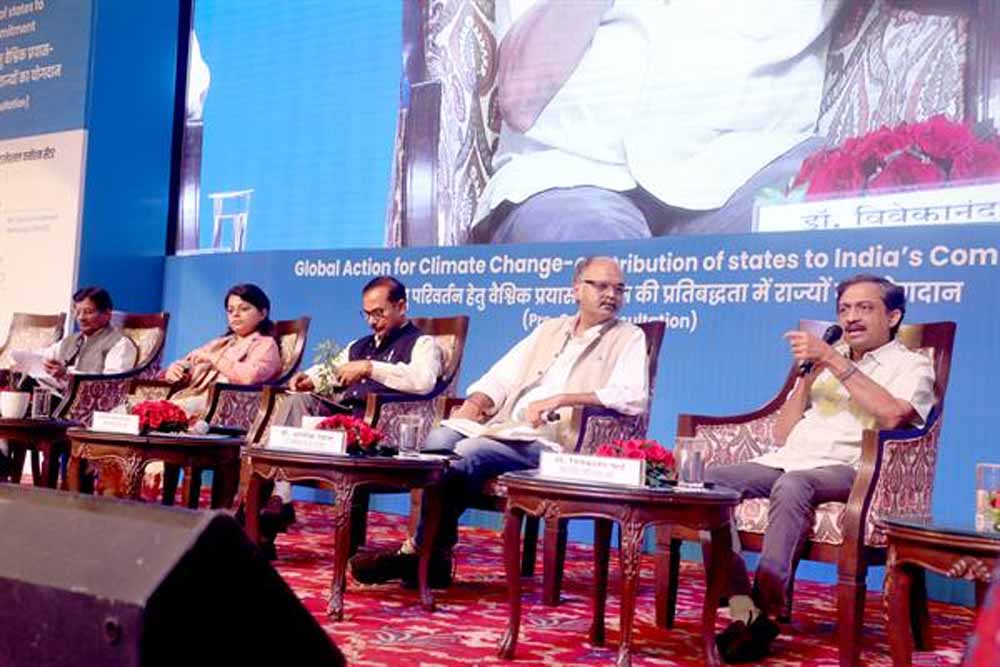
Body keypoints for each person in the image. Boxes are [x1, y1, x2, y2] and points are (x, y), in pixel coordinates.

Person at [350, 256, 649, 588]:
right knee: (440, 439)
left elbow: (631, 396)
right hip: (509, 429)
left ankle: (417, 553)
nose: (612, 295)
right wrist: (475, 403)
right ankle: (436, 558)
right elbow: (501, 376)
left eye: (619, 289)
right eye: (602, 286)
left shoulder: (629, 337)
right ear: (576, 289)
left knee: (469, 452)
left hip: (557, 443)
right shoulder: (551, 329)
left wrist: (562, 399)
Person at [473, 0, 842, 243]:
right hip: (571, 173)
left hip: (752, 166)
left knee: (809, 228)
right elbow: (521, 101)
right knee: (593, 270)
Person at [706, 274, 936, 663]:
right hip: (790, 460)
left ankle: (767, 609)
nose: (851, 317)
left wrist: (834, 360)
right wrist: (807, 377)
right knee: (709, 482)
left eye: (864, 308)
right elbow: (782, 433)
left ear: (893, 316)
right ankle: (744, 605)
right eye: (844, 309)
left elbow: (894, 415)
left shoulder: (912, 365)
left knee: (794, 485)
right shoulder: (826, 360)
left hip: (853, 468)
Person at [260, 276, 444, 537]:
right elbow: (333, 369)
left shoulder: (421, 343)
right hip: (345, 418)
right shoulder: (359, 345)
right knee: (296, 401)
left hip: (380, 427)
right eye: (366, 314)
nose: (371, 321)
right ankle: (280, 497)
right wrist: (309, 379)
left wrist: (370, 368)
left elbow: (423, 381)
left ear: (401, 306)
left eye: (378, 313)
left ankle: (269, 511)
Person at [163, 283, 282, 418]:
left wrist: (214, 358)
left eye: (244, 309)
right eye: (230, 310)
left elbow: (249, 376)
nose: (235, 314)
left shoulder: (265, 344)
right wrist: (176, 368)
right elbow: (191, 360)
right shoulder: (222, 342)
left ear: (262, 313)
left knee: (162, 412)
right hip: (198, 397)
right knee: (150, 409)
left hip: (228, 405)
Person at [33, 286, 139, 396]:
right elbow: (44, 356)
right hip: (60, 397)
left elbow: (112, 383)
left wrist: (66, 374)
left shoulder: (119, 343)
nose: (81, 318)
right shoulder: (73, 339)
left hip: (94, 404)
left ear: (107, 314)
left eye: (88, 312)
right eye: (77, 312)